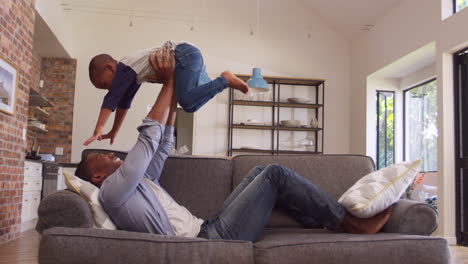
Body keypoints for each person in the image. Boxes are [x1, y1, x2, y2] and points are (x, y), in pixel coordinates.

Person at [75, 53, 394, 242]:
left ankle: (320, 219)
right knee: (273, 174)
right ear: (98, 179)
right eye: (103, 158)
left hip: (209, 227)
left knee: (258, 170)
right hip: (208, 241)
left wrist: (171, 93)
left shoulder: (138, 183)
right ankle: (348, 223)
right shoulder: (113, 192)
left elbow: (160, 147)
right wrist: (170, 80)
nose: (110, 154)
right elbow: (147, 141)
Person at [83, 41, 249, 146]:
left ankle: (225, 80)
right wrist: (114, 131)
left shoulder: (125, 69)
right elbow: (123, 103)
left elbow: (111, 99)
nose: (109, 89)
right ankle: (222, 81)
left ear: (109, 68)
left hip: (183, 55)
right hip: (188, 57)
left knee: (185, 100)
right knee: (190, 106)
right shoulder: (132, 75)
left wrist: (98, 128)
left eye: (105, 84)